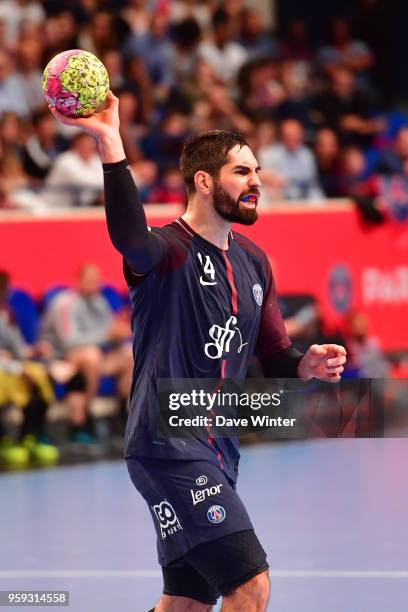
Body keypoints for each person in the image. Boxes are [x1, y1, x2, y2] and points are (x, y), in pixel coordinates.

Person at [49, 91, 347, 612]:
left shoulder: (256, 262)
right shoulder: (166, 250)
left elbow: (273, 353)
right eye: (240, 172)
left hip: (218, 450)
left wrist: (304, 363)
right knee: (250, 585)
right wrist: (109, 140)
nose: (256, 181)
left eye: (256, 170)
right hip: (168, 445)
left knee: (185, 603)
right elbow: (127, 236)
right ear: (204, 181)